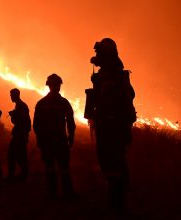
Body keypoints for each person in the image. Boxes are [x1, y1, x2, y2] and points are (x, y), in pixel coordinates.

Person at [85, 38, 136, 212]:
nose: (96, 55)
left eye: (99, 53)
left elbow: (123, 100)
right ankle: (115, 200)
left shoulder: (117, 77)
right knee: (108, 163)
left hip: (114, 127)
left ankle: (118, 204)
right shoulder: (103, 77)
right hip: (105, 126)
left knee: (114, 163)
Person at [33, 73, 76, 198]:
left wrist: (40, 139)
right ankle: (67, 193)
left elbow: (36, 124)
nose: (57, 87)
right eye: (56, 85)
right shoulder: (63, 102)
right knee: (63, 167)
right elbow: (70, 121)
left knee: (50, 167)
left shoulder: (41, 103)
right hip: (60, 140)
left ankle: (52, 194)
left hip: (48, 141)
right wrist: (71, 136)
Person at [7, 88, 31, 181]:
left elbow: (19, 121)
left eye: (11, 95)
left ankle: (13, 176)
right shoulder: (20, 105)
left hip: (20, 134)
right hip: (21, 134)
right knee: (20, 155)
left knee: (12, 155)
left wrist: (13, 115)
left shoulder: (21, 106)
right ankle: (23, 174)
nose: (11, 97)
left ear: (16, 95)